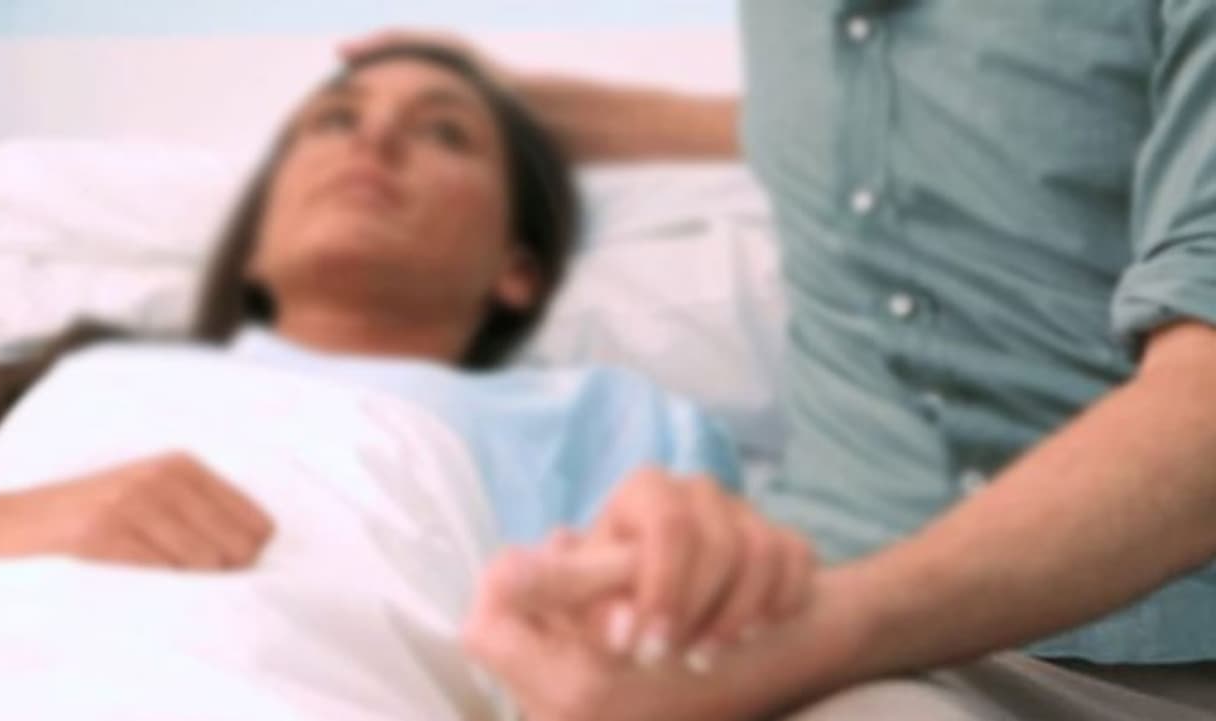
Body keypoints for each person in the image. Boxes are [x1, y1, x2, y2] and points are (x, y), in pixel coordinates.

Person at [343, 2, 1216, 719]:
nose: (369, 148)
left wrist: (821, 629)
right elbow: (926, 117)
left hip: (1127, 649)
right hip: (832, 607)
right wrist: (517, 110)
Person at [0, 43, 814, 720]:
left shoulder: (600, 414)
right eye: (334, 121)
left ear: (517, 266)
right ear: (259, 231)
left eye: (445, 132)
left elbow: (658, 669)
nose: (375, 139)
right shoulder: (69, 375)